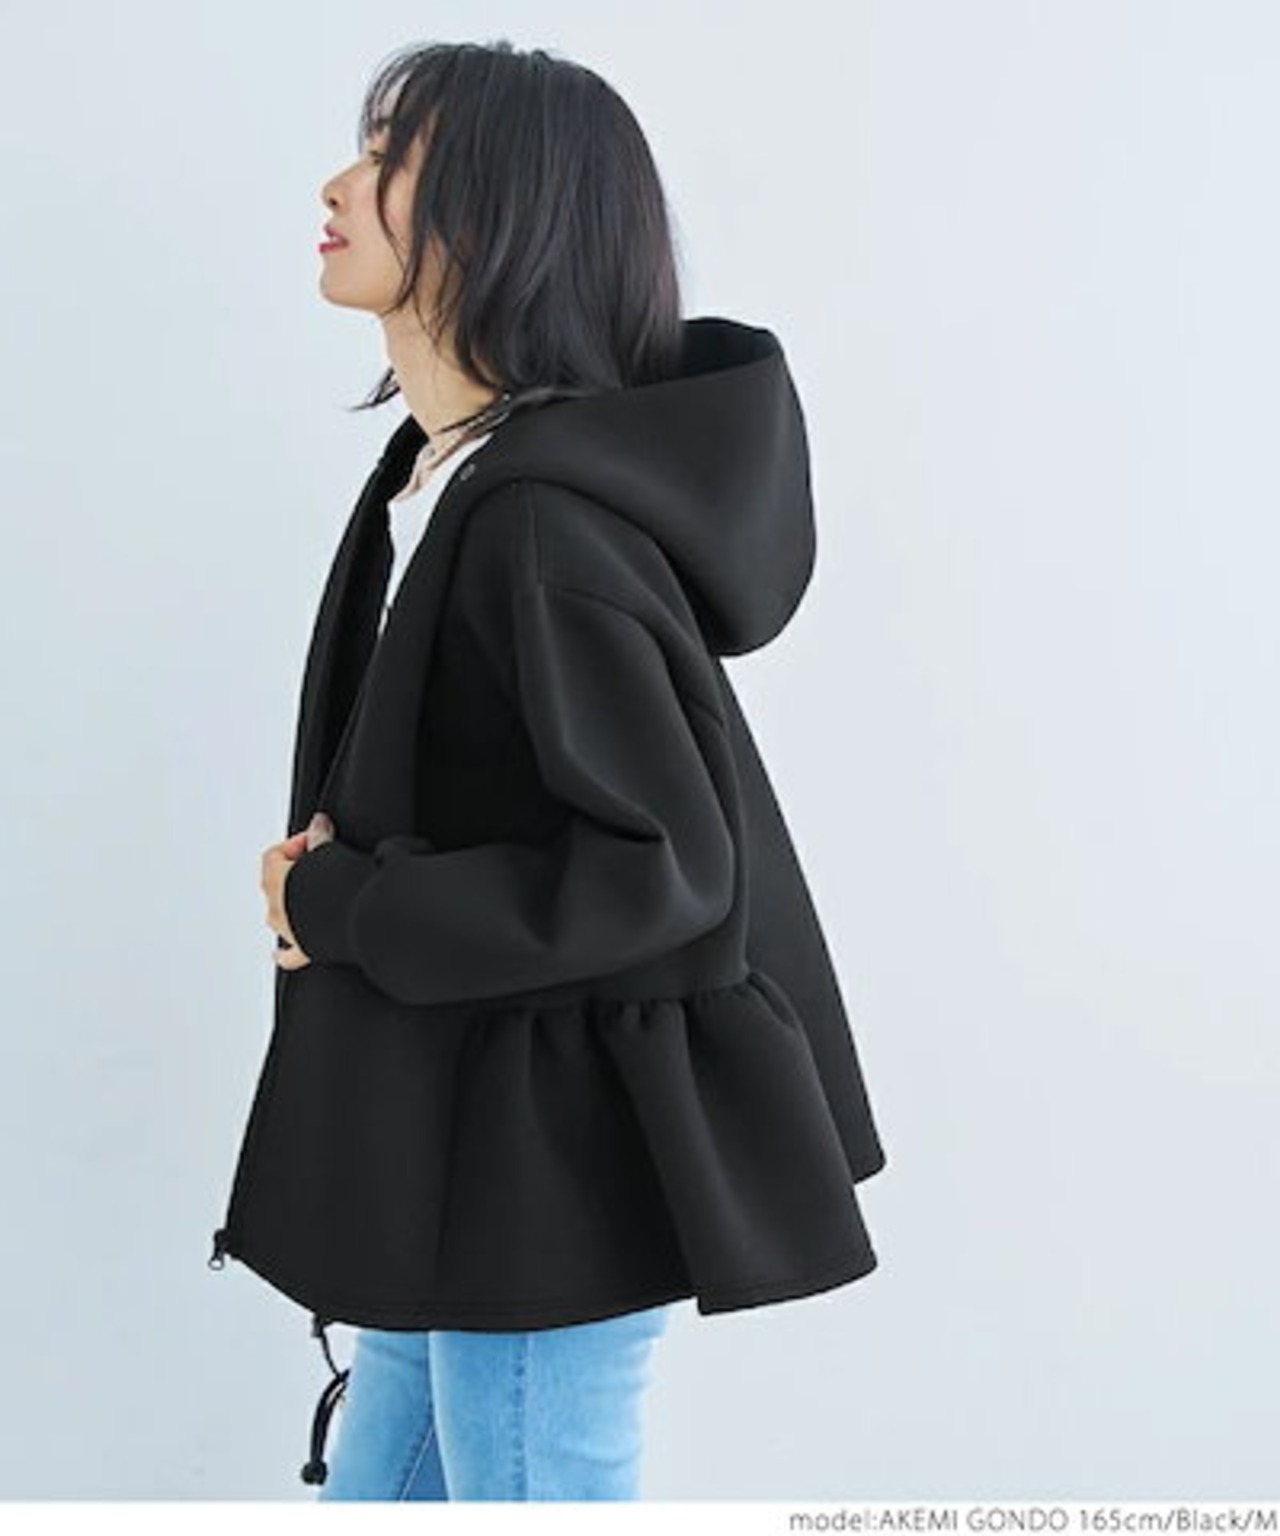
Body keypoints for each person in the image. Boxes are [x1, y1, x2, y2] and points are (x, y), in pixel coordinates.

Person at [209, 37, 887, 1502]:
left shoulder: (539, 523)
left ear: (499, 218)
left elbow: (660, 870)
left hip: (552, 1162)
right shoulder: (438, 478)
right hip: (467, 1135)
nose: (339, 186)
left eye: (391, 160)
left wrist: (345, 906)